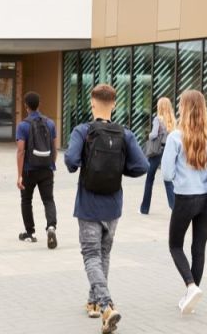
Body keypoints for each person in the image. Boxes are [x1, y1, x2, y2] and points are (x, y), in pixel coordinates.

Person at [65, 84, 149, 333]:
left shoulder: (83, 131)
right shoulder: (126, 134)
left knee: (91, 255)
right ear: (114, 104)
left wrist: (81, 166)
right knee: (104, 254)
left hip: (88, 204)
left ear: (92, 103)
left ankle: (106, 304)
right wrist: (119, 169)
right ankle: (93, 303)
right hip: (113, 205)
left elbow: (70, 160)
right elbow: (142, 166)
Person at [161, 90, 207, 314]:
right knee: (199, 248)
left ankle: (190, 286)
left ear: (184, 109)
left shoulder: (175, 137)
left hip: (185, 198)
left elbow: (167, 174)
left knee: (175, 245)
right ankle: (192, 296)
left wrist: (182, 176)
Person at [16, 91, 59, 248]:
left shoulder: (23, 126)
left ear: (26, 105)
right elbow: (54, 148)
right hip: (46, 169)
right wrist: (51, 165)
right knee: (48, 199)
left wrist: (19, 175)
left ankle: (30, 233)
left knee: (26, 200)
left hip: (28, 170)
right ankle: (51, 227)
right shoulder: (50, 123)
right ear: (39, 104)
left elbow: (21, 151)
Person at [140, 97, 176, 214]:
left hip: (156, 152)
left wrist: (149, 135)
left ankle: (145, 209)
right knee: (168, 179)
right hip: (168, 151)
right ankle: (174, 207)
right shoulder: (172, 120)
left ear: (159, 107)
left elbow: (154, 135)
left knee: (149, 179)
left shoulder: (157, 119)